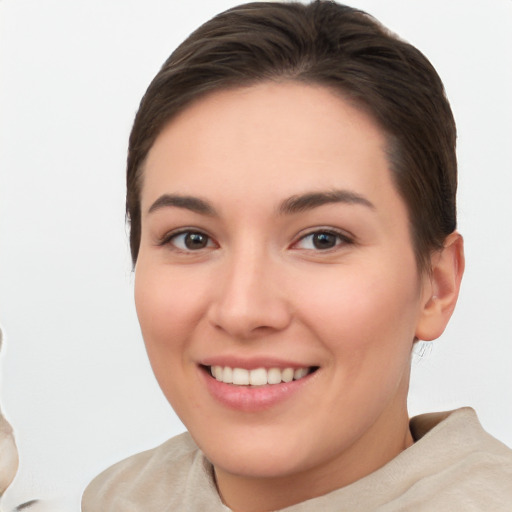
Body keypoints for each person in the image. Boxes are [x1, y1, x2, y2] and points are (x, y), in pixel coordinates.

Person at [81, 1, 512, 510]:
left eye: (322, 239)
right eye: (192, 239)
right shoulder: (119, 497)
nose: (242, 311)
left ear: (436, 286)